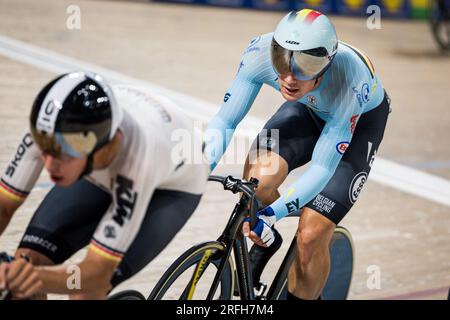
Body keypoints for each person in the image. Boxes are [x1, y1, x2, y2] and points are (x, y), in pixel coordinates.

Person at [204, 9, 390, 300]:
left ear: (326, 65)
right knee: (257, 183)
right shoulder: (259, 52)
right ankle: (270, 240)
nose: (289, 77)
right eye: (283, 60)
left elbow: (321, 168)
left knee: (311, 234)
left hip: (355, 121)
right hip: (307, 106)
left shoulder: (350, 79)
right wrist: (199, 166)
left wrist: (273, 214)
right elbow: (225, 122)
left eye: (305, 65)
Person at [0, 71, 209, 299]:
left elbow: (94, 276)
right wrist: (24, 274)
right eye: (45, 149)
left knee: (83, 292)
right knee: (24, 266)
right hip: (101, 170)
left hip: (171, 189)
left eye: (62, 153)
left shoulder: (138, 158)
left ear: (103, 145)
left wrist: (36, 277)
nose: (50, 164)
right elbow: (3, 206)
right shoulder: (48, 130)